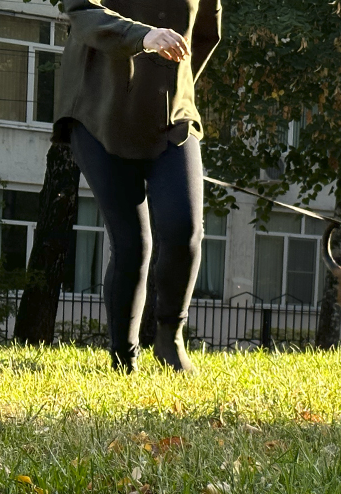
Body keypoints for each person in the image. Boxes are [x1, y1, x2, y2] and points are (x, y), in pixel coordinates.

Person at [52, 0, 222, 372]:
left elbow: (206, 34)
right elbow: (82, 13)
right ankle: (123, 355)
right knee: (132, 243)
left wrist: (177, 84)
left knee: (185, 228)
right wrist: (145, 36)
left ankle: (170, 338)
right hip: (99, 111)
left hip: (172, 116)